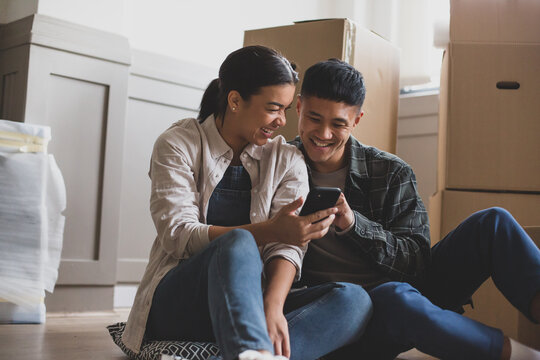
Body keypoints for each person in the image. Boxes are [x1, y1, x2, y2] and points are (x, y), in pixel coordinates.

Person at [121, 47, 372, 360]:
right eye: (273, 108)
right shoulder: (178, 144)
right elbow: (178, 236)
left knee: (354, 302)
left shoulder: (287, 158)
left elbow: (288, 246)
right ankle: (252, 347)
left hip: (251, 303)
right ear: (236, 101)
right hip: (180, 300)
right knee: (237, 241)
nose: (282, 120)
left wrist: (273, 306)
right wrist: (269, 230)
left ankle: (250, 351)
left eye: (285, 110)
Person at [290, 58, 540, 360]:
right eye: (314, 119)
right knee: (394, 298)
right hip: (339, 312)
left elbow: (418, 263)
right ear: (299, 107)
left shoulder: (390, 171)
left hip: (406, 291)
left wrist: (355, 225)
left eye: (338, 123)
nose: (324, 134)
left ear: (356, 121)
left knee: (494, 222)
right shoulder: (278, 166)